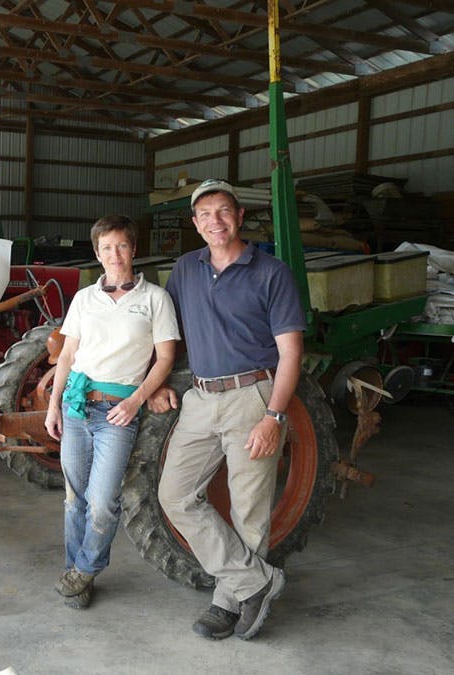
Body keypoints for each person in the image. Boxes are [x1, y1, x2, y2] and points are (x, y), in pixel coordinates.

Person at [153, 179, 306, 640]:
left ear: (239, 217)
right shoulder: (184, 268)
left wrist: (273, 416)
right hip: (200, 398)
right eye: (204, 214)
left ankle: (228, 602)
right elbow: (167, 332)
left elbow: (291, 353)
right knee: (174, 495)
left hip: (251, 397)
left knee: (248, 509)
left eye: (222, 211)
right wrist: (156, 383)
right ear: (195, 224)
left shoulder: (271, 272)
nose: (214, 221)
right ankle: (255, 581)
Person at [45, 214, 179, 609]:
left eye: (121, 246)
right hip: (75, 407)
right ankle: (78, 572)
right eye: (106, 247)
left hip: (118, 412)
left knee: (103, 500)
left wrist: (135, 401)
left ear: (133, 250)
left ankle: (85, 571)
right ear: (97, 253)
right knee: (74, 499)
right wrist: (53, 405)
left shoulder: (155, 299)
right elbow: (68, 355)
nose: (115, 254)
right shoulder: (85, 298)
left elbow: (165, 358)